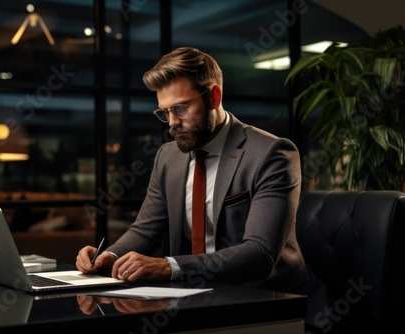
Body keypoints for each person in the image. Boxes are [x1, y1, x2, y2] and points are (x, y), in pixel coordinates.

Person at [76, 46, 308, 293]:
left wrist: (169, 267)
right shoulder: (168, 156)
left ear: (214, 97)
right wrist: (110, 256)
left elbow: (260, 254)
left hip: (265, 296)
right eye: (165, 112)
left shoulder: (272, 154)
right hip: (191, 294)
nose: (173, 123)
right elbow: (145, 231)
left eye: (181, 108)